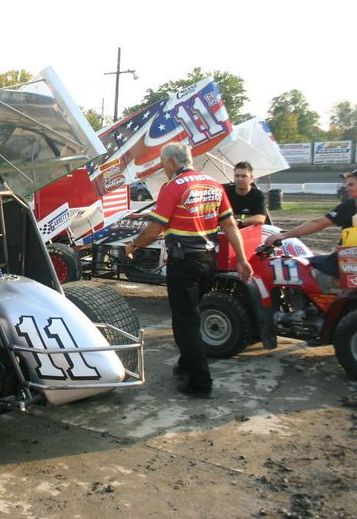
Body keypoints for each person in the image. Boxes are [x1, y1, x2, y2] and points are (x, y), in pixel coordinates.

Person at [125, 143, 252, 399]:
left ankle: (200, 383)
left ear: (171, 162)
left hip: (184, 263)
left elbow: (154, 229)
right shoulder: (214, 185)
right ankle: (186, 364)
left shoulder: (173, 187)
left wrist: (134, 245)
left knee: (186, 322)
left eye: (163, 163)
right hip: (208, 261)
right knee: (191, 315)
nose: (163, 168)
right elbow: (230, 225)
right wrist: (241, 259)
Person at [264, 169, 357, 276]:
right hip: (347, 259)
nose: (347, 188)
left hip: (347, 260)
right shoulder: (350, 204)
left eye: (351, 184)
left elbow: (319, 223)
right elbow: (318, 223)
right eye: (347, 185)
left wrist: (284, 235)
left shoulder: (350, 205)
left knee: (305, 265)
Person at [223, 161, 268, 227]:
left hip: (248, 231)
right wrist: (248, 217)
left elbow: (260, 218)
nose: (239, 179)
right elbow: (218, 215)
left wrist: (239, 221)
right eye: (237, 176)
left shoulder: (257, 194)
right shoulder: (225, 191)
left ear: (251, 178)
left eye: (244, 176)